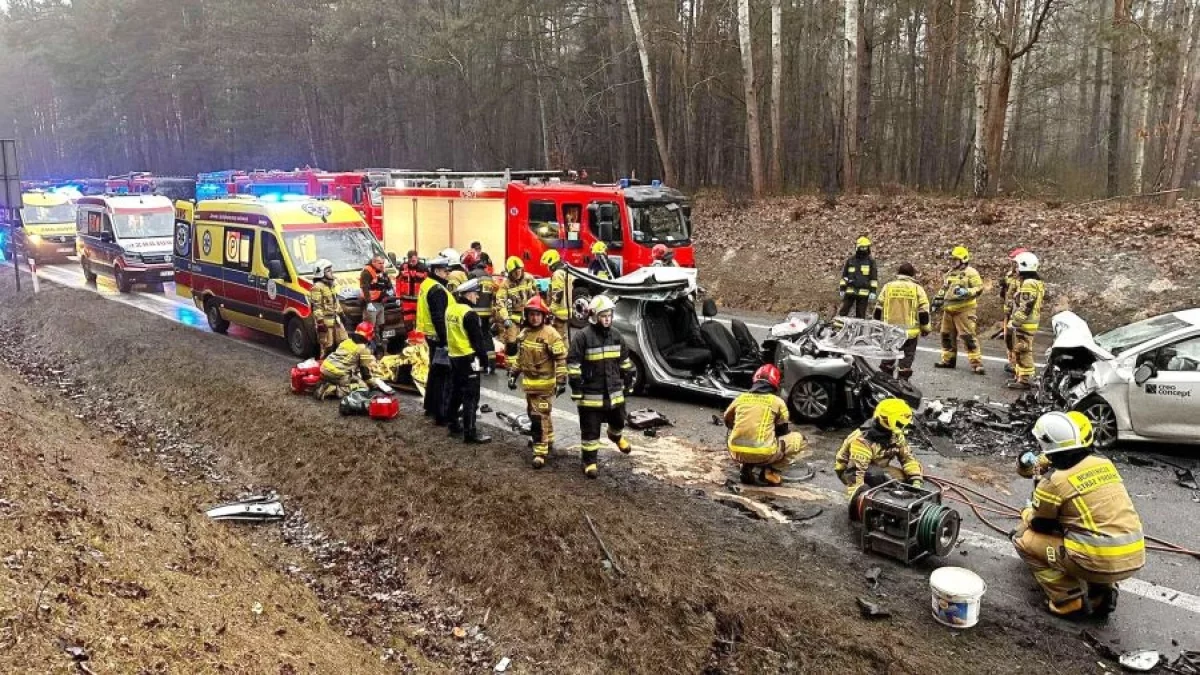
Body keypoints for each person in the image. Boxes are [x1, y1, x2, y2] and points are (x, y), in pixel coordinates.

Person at [1012, 411, 1144, 617]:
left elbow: (1041, 525)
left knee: (1022, 538)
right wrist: (1028, 463)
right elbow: (1033, 466)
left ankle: (1067, 598)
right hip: (1133, 554)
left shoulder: (1054, 482)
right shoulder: (1104, 464)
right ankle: (1102, 592)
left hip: (1095, 559)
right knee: (1091, 530)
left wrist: (1026, 512)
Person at [567, 295, 635, 478]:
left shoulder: (616, 336)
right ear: (594, 316)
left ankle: (615, 436)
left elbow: (625, 362)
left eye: (610, 315)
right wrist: (576, 388)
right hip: (590, 394)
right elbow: (573, 365)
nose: (607, 319)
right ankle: (589, 462)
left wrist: (628, 381)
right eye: (604, 315)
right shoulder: (583, 337)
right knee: (590, 430)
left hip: (614, 392)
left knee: (620, 420)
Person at [723, 364, 810, 486]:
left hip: (735, 452)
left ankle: (745, 465)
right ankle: (769, 472)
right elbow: (783, 431)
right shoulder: (777, 402)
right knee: (800, 440)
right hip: (763, 453)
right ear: (776, 383)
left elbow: (727, 421)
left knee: (743, 436)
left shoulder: (741, 398)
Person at [508, 296, 568, 468]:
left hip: (544, 386)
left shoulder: (551, 335)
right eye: (531, 314)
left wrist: (562, 380)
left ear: (544, 316)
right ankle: (548, 439)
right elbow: (520, 358)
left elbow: (561, 359)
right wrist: (513, 374)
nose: (534, 318)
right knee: (538, 414)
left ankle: (539, 452)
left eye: (538, 314)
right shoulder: (524, 334)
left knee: (537, 417)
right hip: (529, 385)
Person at [834, 398, 923, 498]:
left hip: (877, 467)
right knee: (876, 476)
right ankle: (872, 494)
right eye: (900, 423)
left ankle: (881, 490)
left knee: (903, 478)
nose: (903, 426)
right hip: (849, 470)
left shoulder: (896, 435)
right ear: (887, 420)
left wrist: (916, 479)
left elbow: (907, 458)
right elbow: (855, 472)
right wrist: (857, 497)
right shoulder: (863, 440)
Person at [444, 278, 494, 443]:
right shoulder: (469, 314)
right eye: (475, 294)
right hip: (469, 358)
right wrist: (485, 361)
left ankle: (452, 422)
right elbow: (477, 341)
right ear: (469, 294)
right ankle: (470, 432)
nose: (477, 298)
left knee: (456, 392)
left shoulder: (450, 309)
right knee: (471, 396)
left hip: (454, 356)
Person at [874, 262, 931, 380]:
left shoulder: (888, 287)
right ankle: (902, 382)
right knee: (907, 358)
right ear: (912, 275)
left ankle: (886, 380)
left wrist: (876, 325)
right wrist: (925, 328)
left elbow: (878, 307)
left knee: (888, 356)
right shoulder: (917, 289)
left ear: (898, 273)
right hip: (909, 333)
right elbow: (923, 311)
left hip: (890, 331)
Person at [933, 246, 985, 374]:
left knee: (967, 336)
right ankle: (948, 360)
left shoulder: (971, 272)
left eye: (955, 260)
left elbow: (979, 288)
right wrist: (937, 300)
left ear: (963, 260)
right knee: (946, 335)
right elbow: (945, 289)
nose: (952, 262)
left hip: (964, 309)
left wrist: (967, 292)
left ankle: (976, 364)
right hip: (949, 310)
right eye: (952, 260)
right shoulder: (950, 273)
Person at [416, 254, 453, 423]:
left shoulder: (427, 284)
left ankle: (430, 407)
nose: (448, 274)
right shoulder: (437, 289)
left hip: (430, 335)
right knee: (443, 376)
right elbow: (438, 317)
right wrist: (446, 340)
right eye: (446, 271)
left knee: (434, 372)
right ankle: (441, 412)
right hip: (439, 336)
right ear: (437, 270)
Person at [314, 322, 394, 400]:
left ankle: (326, 382)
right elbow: (365, 375)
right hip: (337, 373)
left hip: (324, 369)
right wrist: (374, 385)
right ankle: (330, 390)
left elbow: (345, 361)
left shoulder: (346, 341)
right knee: (363, 388)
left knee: (354, 378)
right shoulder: (363, 349)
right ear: (369, 335)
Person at [1006, 251, 1045, 390]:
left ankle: (1026, 379)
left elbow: (1026, 306)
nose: (1015, 268)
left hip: (1026, 323)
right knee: (1021, 349)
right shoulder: (1035, 282)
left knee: (1023, 349)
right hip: (1029, 322)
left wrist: (1014, 322)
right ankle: (1021, 377)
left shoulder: (1028, 283)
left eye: (1017, 265)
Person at [494, 256, 539, 356]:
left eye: (519, 270)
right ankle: (511, 366)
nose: (517, 273)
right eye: (514, 272)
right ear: (509, 273)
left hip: (529, 315)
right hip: (513, 317)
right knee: (511, 342)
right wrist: (505, 318)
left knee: (531, 341)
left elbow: (537, 296)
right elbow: (500, 303)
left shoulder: (529, 279)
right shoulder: (505, 284)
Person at [310, 258, 348, 358]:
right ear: (321, 273)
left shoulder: (331, 285)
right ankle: (324, 369)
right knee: (327, 347)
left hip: (336, 320)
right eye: (328, 270)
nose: (331, 272)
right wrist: (320, 322)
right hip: (325, 322)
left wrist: (342, 314)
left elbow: (335, 302)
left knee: (344, 343)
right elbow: (316, 306)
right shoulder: (317, 287)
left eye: (331, 269)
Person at [999, 247, 1028, 375]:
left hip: (1017, 314)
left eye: (1015, 262)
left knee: (1018, 340)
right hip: (1008, 312)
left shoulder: (1027, 278)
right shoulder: (1010, 275)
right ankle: (1011, 361)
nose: (1013, 265)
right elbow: (1006, 293)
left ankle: (1018, 365)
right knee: (1008, 338)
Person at [838, 236, 878, 318]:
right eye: (862, 247)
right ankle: (838, 328)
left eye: (865, 247)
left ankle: (859, 330)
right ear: (857, 247)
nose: (863, 249)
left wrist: (873, 291)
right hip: (850, 291)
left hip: (863, 293)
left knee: (860, 315)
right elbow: (844, 276)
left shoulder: (871, 262)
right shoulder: (850, 260)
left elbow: (873, 278)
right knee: (843, 312)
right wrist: (842, 289)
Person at [360, 254, 394, 349]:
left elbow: (388, 283)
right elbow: (365, 288)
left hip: (380, 303)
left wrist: (390, 290)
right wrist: (368, 303)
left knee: (380, 325)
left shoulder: (382, 272)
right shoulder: (367, 272)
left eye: (383, 263)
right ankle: (369, 347)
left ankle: (379, 345)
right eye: (379, 263)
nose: (382, 265)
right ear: (373, 262)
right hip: (371, 304)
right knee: (370, 327)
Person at [380, 330, 429, 396]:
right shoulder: (425, 347)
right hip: (422, 370)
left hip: (418, 372)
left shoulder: (412, 349)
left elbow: (405, 355)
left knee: (387, 361)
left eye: (410, 341)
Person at [542, 249, 570, 334]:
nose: (547, 267)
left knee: (558, 338)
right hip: (563, 312)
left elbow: (558, 294)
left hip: (558, 314)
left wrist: (550, 310)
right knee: (563, 337)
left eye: (547, 264)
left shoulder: (557, 274)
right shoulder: (563, 271)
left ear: (551, 262)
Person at [397, 250, 426, 331]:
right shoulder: (403, 267)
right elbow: (398, 282)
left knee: (419, 322)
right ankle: (410, 339)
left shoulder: (423, 268)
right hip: (406, 301)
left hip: (418, 300)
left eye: (413, 261)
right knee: (407, 323)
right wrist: (398, 297)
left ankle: (418, 339)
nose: (412, 263)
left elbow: (427, 283)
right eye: (410, 261)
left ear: (417, 258)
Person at [467, 254, 497, 329]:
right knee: (485, 333)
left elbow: (468, 293)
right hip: (487, 312)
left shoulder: (472, 274)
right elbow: (492, 295)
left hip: (476, 311)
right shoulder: (489, 276)